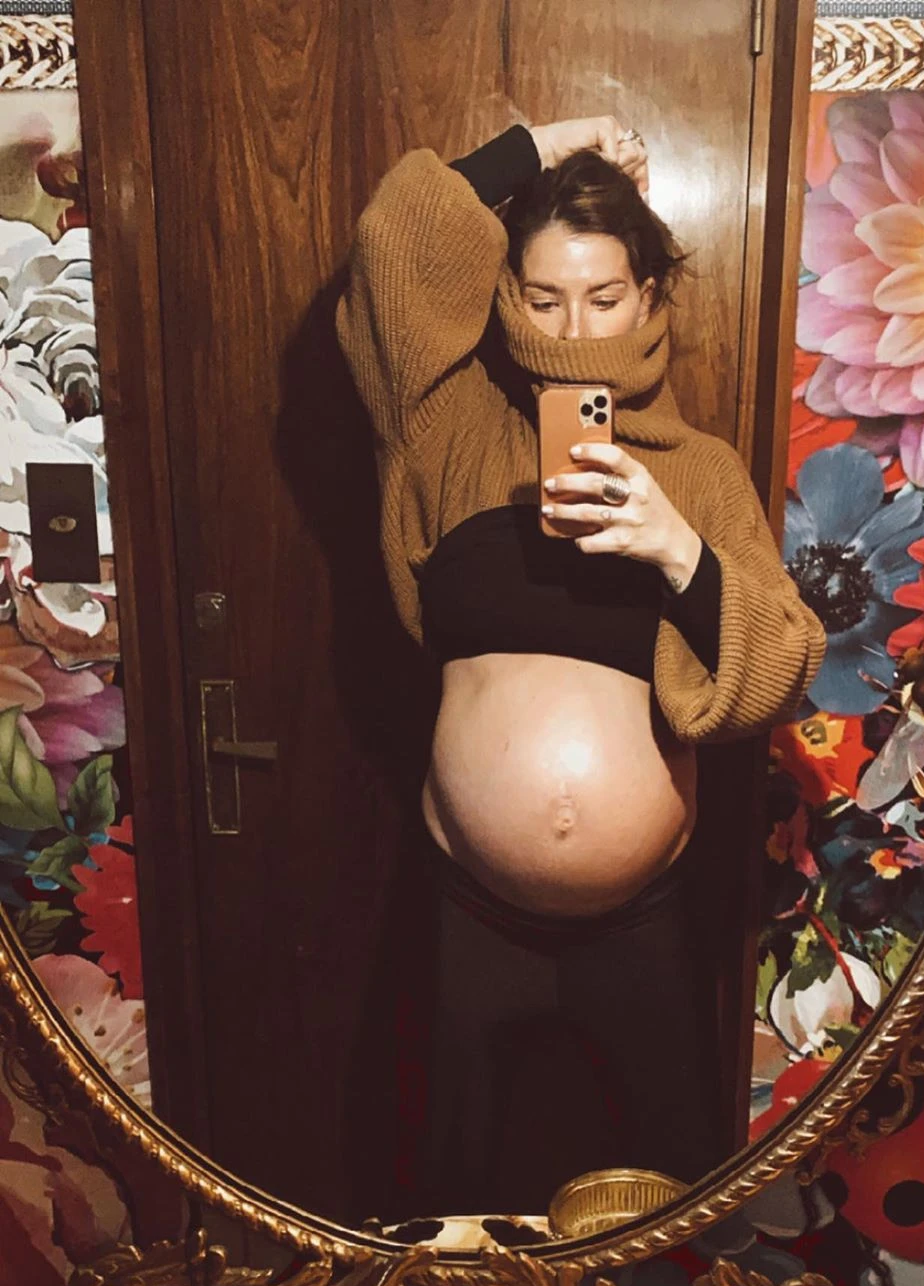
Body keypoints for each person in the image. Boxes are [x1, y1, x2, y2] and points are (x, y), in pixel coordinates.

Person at [336, 116, 825, 1219]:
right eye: (544, 295)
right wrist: (542, 147)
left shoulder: (698, 472)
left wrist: (676, 550)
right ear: (507, 295)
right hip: (468, 911)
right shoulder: (446, 425)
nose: (573, 326)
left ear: (650, 298)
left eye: (603, 296)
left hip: (643, 920)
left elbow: (784, 666)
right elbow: (393, 242)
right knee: (440, 1217)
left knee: (673, 1215)